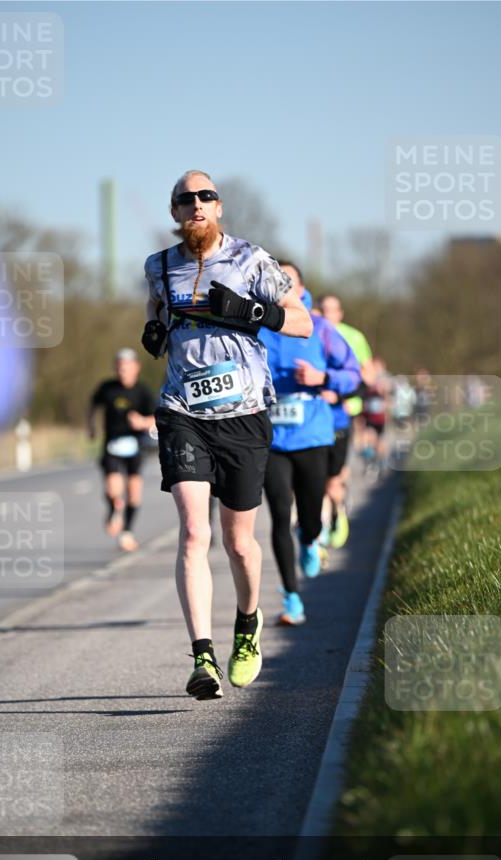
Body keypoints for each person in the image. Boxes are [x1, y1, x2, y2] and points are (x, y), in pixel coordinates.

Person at [142, 170, 311, 701]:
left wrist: (252, 310)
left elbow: (302, 322)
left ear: (219, 208)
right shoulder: (159, 266)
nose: (196, 205)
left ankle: (247, 624)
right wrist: (153, 330)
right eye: (185, 199)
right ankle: (202, 658)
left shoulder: (249, 259)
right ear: (174, 212)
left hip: (242, 413)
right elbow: (155, 316)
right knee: (195, 533)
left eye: (205, 197)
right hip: (182, 411)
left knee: (240, 544)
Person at [260, 264, 360, 626]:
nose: (280, 285)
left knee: (310, 515)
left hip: (313, 436)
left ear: (301, 287)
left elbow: (353, 374)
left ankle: (310, 537)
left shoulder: (321, 329)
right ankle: (291, 598)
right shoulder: (258, 326)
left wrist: (323, 377)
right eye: (273, 280)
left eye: (287, 280)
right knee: (278, 511)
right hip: (270, 439)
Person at [318, 294, 373, 548]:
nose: (329, 315)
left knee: (336, 474)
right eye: (324, 310)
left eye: (333, 310)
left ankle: (337, 508)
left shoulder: (354, 337)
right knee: (317, 474)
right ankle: (322, 518)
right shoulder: (310, 333)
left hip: (345, 411)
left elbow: (367, 377)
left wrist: (343, 394)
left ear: (340, 313)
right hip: (314, 415)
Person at [88, 348, 156, 552]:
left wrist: (142, 422)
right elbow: (93, 405)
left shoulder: (143, 391)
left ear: (136, 368)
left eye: (126, 367)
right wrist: (90, 425)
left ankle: (127, 532)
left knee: (134, 492)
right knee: (113, 489)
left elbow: (156, 418)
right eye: (119, 367)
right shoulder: (107, 388)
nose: (122, 371)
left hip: (135, 445)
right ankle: (113, 508)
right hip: (112, 444)